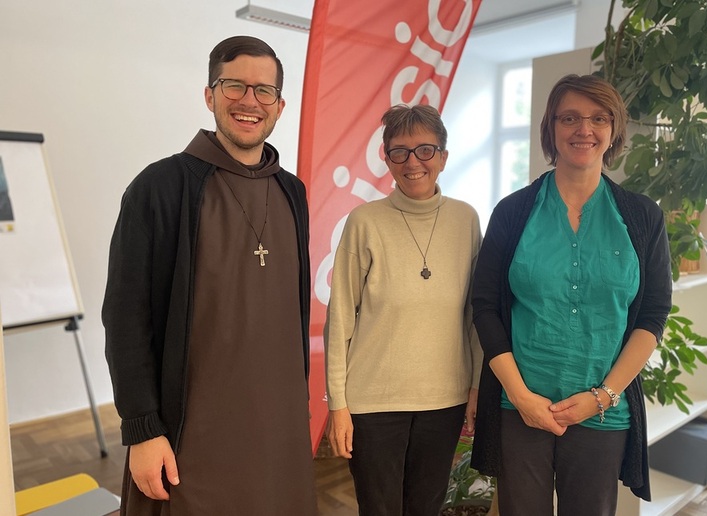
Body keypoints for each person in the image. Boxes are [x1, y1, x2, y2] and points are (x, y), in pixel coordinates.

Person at [102, 35, 317, 515]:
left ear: (280, 106)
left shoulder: (293, 192)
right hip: (191, 434)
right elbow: (124, 317)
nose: (249, 101)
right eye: (234, 85)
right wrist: (142, 429)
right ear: (209, 95)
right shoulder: (160, 187)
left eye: (264, 91)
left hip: (277, 430)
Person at [470, 74, 672, 515]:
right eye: (570, 118)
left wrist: (603, 395)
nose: (584, 129)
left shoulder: (642, 217)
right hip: (521, 408)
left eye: (599, 118)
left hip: (603, 412)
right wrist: (522, 397)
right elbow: (485, 307)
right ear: (551, 127)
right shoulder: (513, 212)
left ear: (614, 129)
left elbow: (653, 315)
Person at [324, 104, 482, 516]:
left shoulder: (466, 220)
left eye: (425, 150)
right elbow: (340, 318)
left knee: (426, 508)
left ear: (444, 156)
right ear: (386, 157)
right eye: (400, 151)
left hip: (444, 400)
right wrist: (337, 405)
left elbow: (474, 316)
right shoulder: (364, 221)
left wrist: (476, 386)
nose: (413, 162)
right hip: (373, 404)